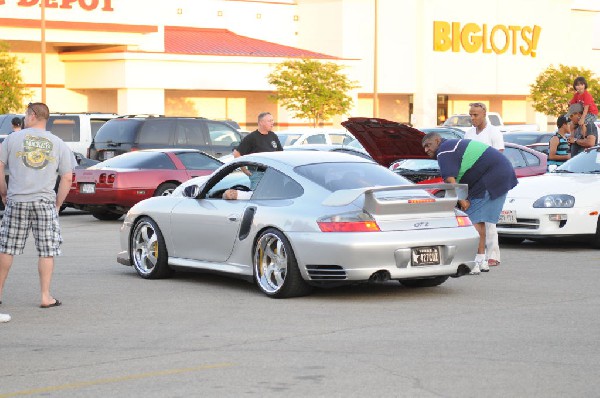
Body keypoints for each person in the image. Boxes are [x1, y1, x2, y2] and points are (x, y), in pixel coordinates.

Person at [0, 102, 76, 309]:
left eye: (26, 114)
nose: (24, 118)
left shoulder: (12, 139)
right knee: (46, 250)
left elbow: (0, 166)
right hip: (44, 202)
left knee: (7, 248)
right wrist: (58, 204)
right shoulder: (58, 143)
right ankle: (45, 296)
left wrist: (4, 193)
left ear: (32, 115)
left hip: (17, 200)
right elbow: (67, 177)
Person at [422, 132, 518, 275]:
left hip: (490, 176)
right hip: (502, 173)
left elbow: (450, 179)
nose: (426, 150)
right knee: (478, 221)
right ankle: (482, 261)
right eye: (423, 147)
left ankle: (474, 263)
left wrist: (461, 200)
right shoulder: (452, 145)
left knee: (471, 221)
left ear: (437, 140)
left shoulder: (444, 150)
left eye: (428, 145)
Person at [463, 102, 504, 267]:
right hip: (473, 181)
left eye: (476, 115)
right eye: (471, 115)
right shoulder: (468, 133)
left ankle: (493, 254)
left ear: (484, 114)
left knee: (489, 219)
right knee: (475, 219)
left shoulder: (494, 132)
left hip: (490, 180)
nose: (473, 118)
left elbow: (499, 157)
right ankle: (478, 254)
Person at [233, 112, 282, 188]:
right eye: (269, 121)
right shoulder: (252, 137)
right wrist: (244, 170)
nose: (272, 123)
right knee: (257, 199)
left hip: (272, 174)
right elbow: (236, 154)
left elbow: (280, 153)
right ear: (261, 122)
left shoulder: (273, 136)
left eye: (272, 120)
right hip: (258, 174)